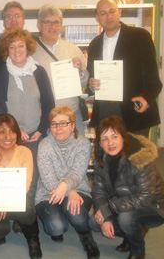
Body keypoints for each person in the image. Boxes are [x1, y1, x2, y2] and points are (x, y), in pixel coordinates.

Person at [0, 27, 54, 242]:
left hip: (36, 136)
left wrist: (40, 130)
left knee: (31, 181)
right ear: (6, 50)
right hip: (11, 137)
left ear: (28, 47)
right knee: (12, 176)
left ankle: (22, 216)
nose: (16, 50)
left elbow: (48, 104)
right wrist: (16, 132)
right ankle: (15, 212)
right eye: (12, 46)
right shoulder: (0, 73)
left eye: (20, 45)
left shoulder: (39, 71)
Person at [89, 116, 164, 259]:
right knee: (94, 222)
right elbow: (99, 191)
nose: (110, 143)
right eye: (105, 139)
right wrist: (106, 218)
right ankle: (131, 234)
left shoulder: (139, 158)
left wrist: (108, 209)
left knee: (126, 219)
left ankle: (138, 252)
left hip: (154, 206)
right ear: (100, 143)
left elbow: (145, 196)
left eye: (114, 137)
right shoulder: (101, 160)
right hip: (123, 203)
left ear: (123, 138)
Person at [87, 0, 162, 137]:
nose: (108, 16)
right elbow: (91, 78)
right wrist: (91, 84)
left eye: (112, 11)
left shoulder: (140, 36)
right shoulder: (94, 44)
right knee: (107, 156)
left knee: (136, 157)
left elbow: (153, 79)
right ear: (97, 17)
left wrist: (146, 98)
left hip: (134, 111)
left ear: (119, 12)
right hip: (105, 111)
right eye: (103, 13)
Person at [35, 106, 99, 259]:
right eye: (54, 124)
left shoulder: (83, 143)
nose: (58, 128)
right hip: (47, 193)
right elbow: (48, 179)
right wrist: (69, 190)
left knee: (74, 212)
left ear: (73, 125)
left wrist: (67, 186)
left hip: (79, 189)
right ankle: (60, 219)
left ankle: (86, 237)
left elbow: (78, 173)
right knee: (56, 228)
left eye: (63, 123)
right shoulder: (44, 145)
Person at [0, 114, 40, 259]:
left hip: (16, 197)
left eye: (12, 131)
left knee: (28, 213)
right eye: (2, 132)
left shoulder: (24, 152)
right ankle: (6, 225)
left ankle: (33, 240)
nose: (8, 136)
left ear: (17, 134)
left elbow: (26, 185)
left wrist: (4, 202)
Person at [32, 4, 89, 135]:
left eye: (56, 22)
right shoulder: (31, 52)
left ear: (61, 25)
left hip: (71, 114)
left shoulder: (74, 50)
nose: (52, 27)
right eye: (47, 22)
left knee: (76, 152)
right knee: (48, 153)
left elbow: (85, 83)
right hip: (44, 117)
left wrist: (80, 72)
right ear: (39, 25)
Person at [0, 1, 25, 67]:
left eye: (17, 16)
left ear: (24, 20)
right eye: (9, 16)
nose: (13, 19)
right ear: (3, 22)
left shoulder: (34, 43)